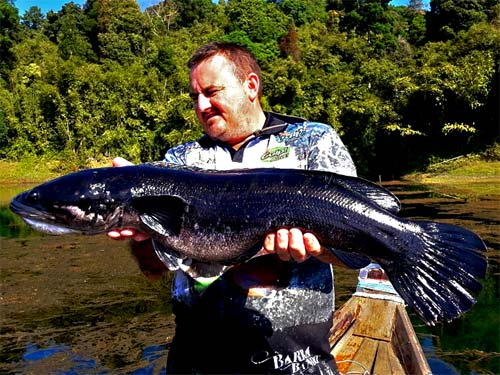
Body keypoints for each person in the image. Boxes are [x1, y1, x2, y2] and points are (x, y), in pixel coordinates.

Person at [108, 41, 358, 374]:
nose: (202, 105)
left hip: (295, 360)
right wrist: (140, 237)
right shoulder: (178, 163)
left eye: (212, 92)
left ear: (250, 85)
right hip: (197, 359)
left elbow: (357, 251)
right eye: (195, 96)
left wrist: (320, 249)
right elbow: (153, 268)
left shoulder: (312, 141)